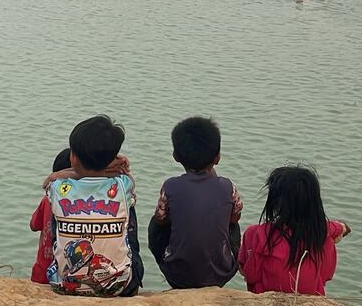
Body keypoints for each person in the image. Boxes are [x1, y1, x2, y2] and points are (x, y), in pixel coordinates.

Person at [45, 115, 143, 295]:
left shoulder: (58, 187)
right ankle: (132, 285)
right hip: (119, 288)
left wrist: (61, 174)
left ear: (73, 157)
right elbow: (126, 177)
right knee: (128, 205)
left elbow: (50, 182)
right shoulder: (123, 184)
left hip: (64, 286)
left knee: (57, 210)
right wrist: (109, 168)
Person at [148, 117, 242, 289]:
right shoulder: (228, 186)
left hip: (178, 276)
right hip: (221, 274)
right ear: (218, 157)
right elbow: (235, 218)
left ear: (175, 156)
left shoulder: (170, 186)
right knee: (232, 224)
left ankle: (171, 262)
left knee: (156, 223)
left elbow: (161, 220)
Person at [238, 165, 351, 296]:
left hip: (265, 298)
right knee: (326, 239)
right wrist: (342, 228)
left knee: (250, 242)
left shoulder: (259, 233)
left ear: (275, 201)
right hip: (312, 299)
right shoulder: (322, 230)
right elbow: (342, 228)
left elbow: (250, 276)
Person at [30, 147, 70, 284]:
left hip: (42, 272)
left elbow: (34, 225)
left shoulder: (47, 199)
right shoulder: (83, 204)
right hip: (67, 274)